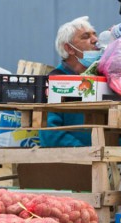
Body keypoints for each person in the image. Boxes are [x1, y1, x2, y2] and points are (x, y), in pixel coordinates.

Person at [41, 17, 98, 147]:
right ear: (69, 48)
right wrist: (86, 152)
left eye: (95, 34)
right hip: (74, 158)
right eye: (86, 36)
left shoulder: (102, 78)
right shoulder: (54, 82)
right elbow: (50, 134)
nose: (95, 40)